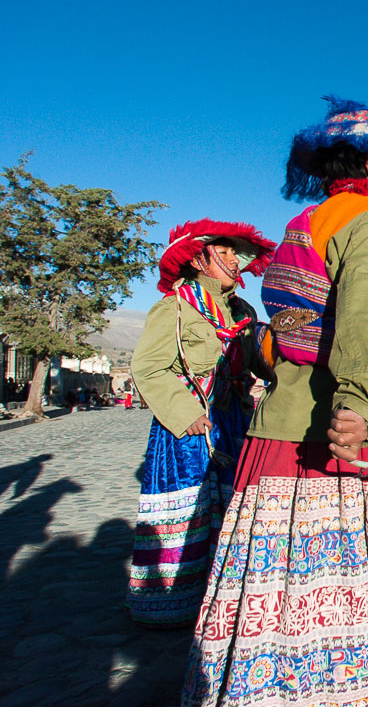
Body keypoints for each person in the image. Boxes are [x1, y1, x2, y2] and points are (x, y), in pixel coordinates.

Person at [182, 98, 368, 707]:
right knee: (354, 579)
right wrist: (361, 404)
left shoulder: (306, 223)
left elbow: (290, 329)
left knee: (275, 584)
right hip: (339, 433)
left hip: (277, 430)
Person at [127, 219, 275, 628]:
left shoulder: (242, 312)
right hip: (188, 427)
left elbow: (259, 361)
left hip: (234, 418)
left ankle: (226, 596)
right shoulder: (174, 308)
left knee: (234, 508)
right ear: (196, 258)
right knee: (188, 508)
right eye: (223, 251)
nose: (233, 259)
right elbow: (149, 367)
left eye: (235, 252)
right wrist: (183, 412)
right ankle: (175, 602)